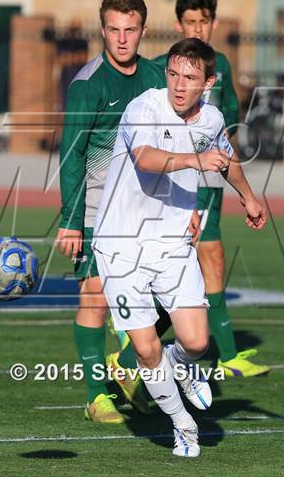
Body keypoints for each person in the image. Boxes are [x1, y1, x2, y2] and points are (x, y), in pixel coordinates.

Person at [93, 38, 267, 458]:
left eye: (189, 77)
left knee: (195, 342)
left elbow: (225, 156)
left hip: (172, 242)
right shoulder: (144, 108)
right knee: (146, 347)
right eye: (173, 73)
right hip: (120, 244)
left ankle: (183, 368)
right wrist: (194, 160)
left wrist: (248, 196)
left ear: (208, 82)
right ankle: (182, 423)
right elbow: (147, 158)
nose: (178, 84)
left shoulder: (209, 118)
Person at [55, 0, 174, 423]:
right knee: (95, 297)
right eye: (113, 30)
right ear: (102, 30)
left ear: (143, 30)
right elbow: (71, 156)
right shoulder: (88, 85)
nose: (122, 39)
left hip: (149, 209)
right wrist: (71, 222)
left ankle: (124, 366)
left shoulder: (159, 77)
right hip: (95, 212)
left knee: (176, 296)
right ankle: (95, 397)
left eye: (130, 30)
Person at [155, 0, 269, 377]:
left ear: (214, 24)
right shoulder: (162, 68)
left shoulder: (220, 66)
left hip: (211, 183)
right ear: (178, 26)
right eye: (189, 22)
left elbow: (227, 133)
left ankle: (228, 354)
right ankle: (135, 347)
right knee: (176, 268)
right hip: (175, 183)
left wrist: (243, 189)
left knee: (212, 262)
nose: (197, 28)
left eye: (203, 21)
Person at [57, 18, 89, 108]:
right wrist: (74, 57)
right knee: (65, 102)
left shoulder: (82, 42)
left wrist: (70, 57)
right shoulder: (64, 42)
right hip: (66, 75)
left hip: (79, 74)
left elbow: (83, 58)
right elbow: (61, 60)